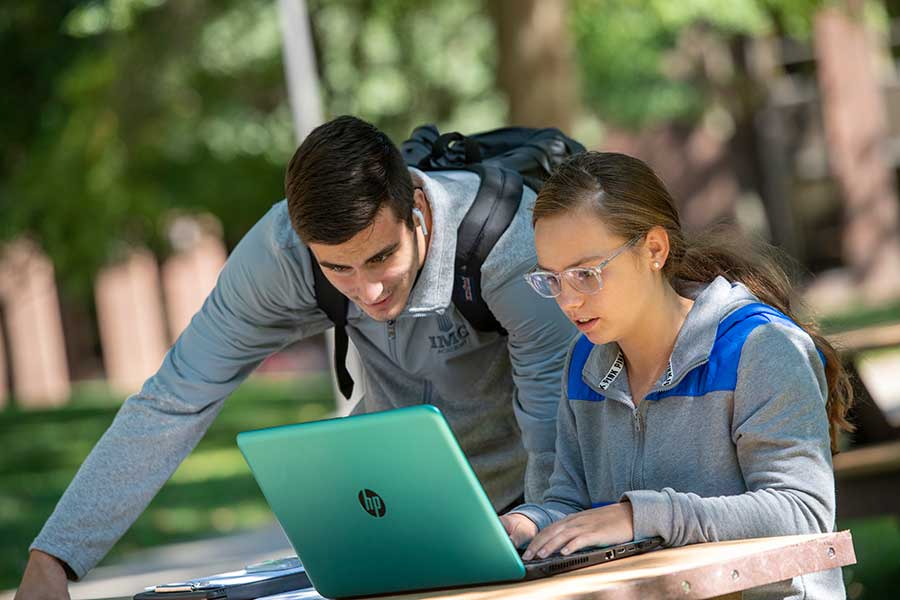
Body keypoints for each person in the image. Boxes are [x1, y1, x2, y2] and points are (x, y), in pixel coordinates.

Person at [16, 116, 577, 597]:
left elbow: (556, 424)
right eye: (339, 268)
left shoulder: (507, 243)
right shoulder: (281, 254)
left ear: (415, 208)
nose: (370, 290)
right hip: (396, 517)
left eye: (383, 257)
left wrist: (540, 529)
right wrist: (53, 558)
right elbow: (173, 402)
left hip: (528, 509)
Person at [499, 152, 853, 599]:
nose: (568, 301)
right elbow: (571, 504)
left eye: (586, 274)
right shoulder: (584, 360)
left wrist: (637, 517)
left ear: (654, 250)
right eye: (551, 279)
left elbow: (801, 514)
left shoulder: (760, 348)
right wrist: (531, 522)